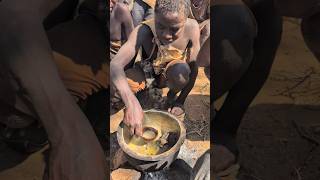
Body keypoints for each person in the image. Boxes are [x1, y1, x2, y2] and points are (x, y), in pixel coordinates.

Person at [0, 0, 107, 179]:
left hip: (113, 50)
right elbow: (12, 11)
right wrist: (68, 132)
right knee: (14, 96)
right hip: (99, 31)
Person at [110, 0, 200, 136]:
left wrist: (180, 102)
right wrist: (131, 101)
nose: (166, 35)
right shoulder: (144, 30)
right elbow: (115, 65)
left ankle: (171, 96)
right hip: (148, 72)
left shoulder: (192, 28)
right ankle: (145, 94)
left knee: (181, 73)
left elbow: (194, 70)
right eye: (160, 26)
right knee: (117, 90)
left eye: (175, 29)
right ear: (155, 17)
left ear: (186, 19)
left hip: (171, 74)